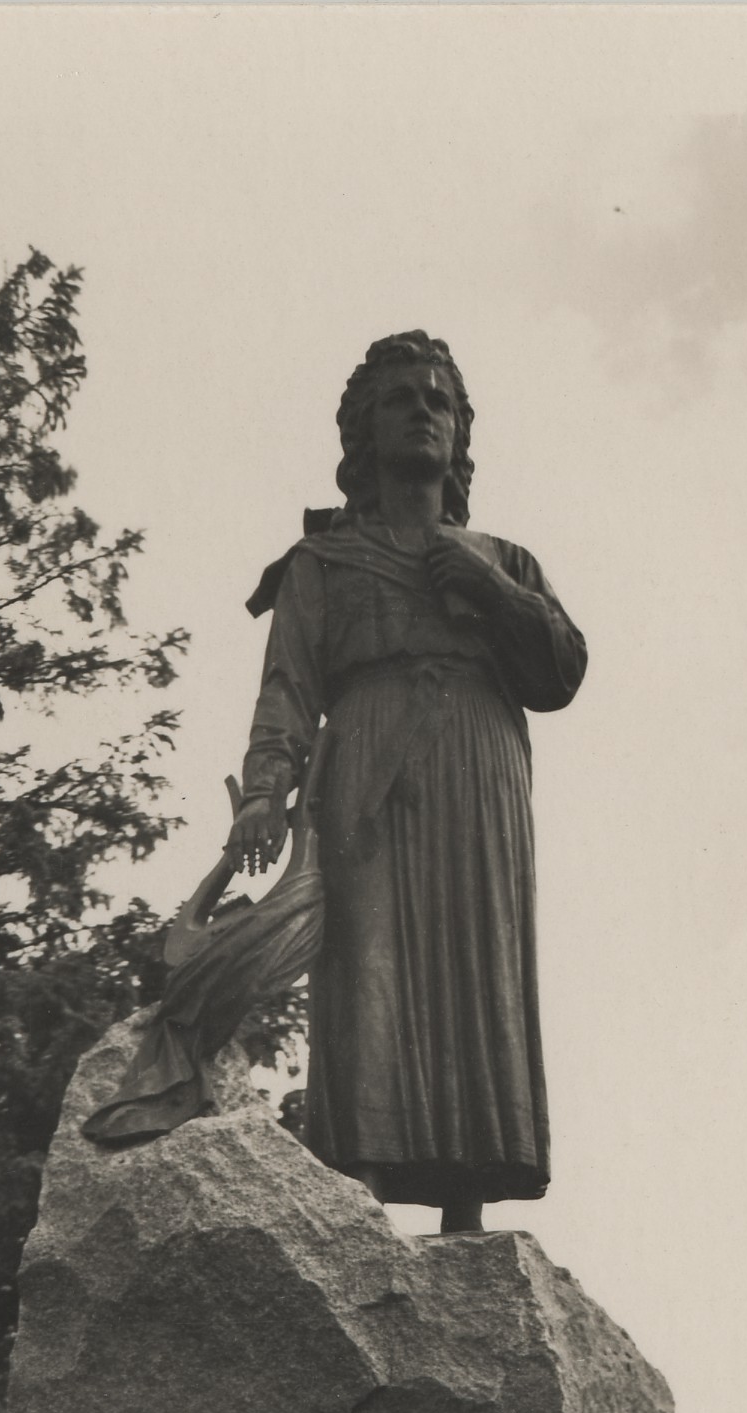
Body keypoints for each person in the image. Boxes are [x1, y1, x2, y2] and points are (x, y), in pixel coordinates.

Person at [230, 332, 586, 1235]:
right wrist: (265, 791)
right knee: (367, 977)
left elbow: (562, 674)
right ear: (363, 430)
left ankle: (466, 1217)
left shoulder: (506, 560)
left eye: (440, 400)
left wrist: (490, 590)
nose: (423, 410)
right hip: (366, 778)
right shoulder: (322, 566)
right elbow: (287, 690)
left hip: (478, 773)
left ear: (460, 433)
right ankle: (362, 1212)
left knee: (478, 968)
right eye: (402, 398)